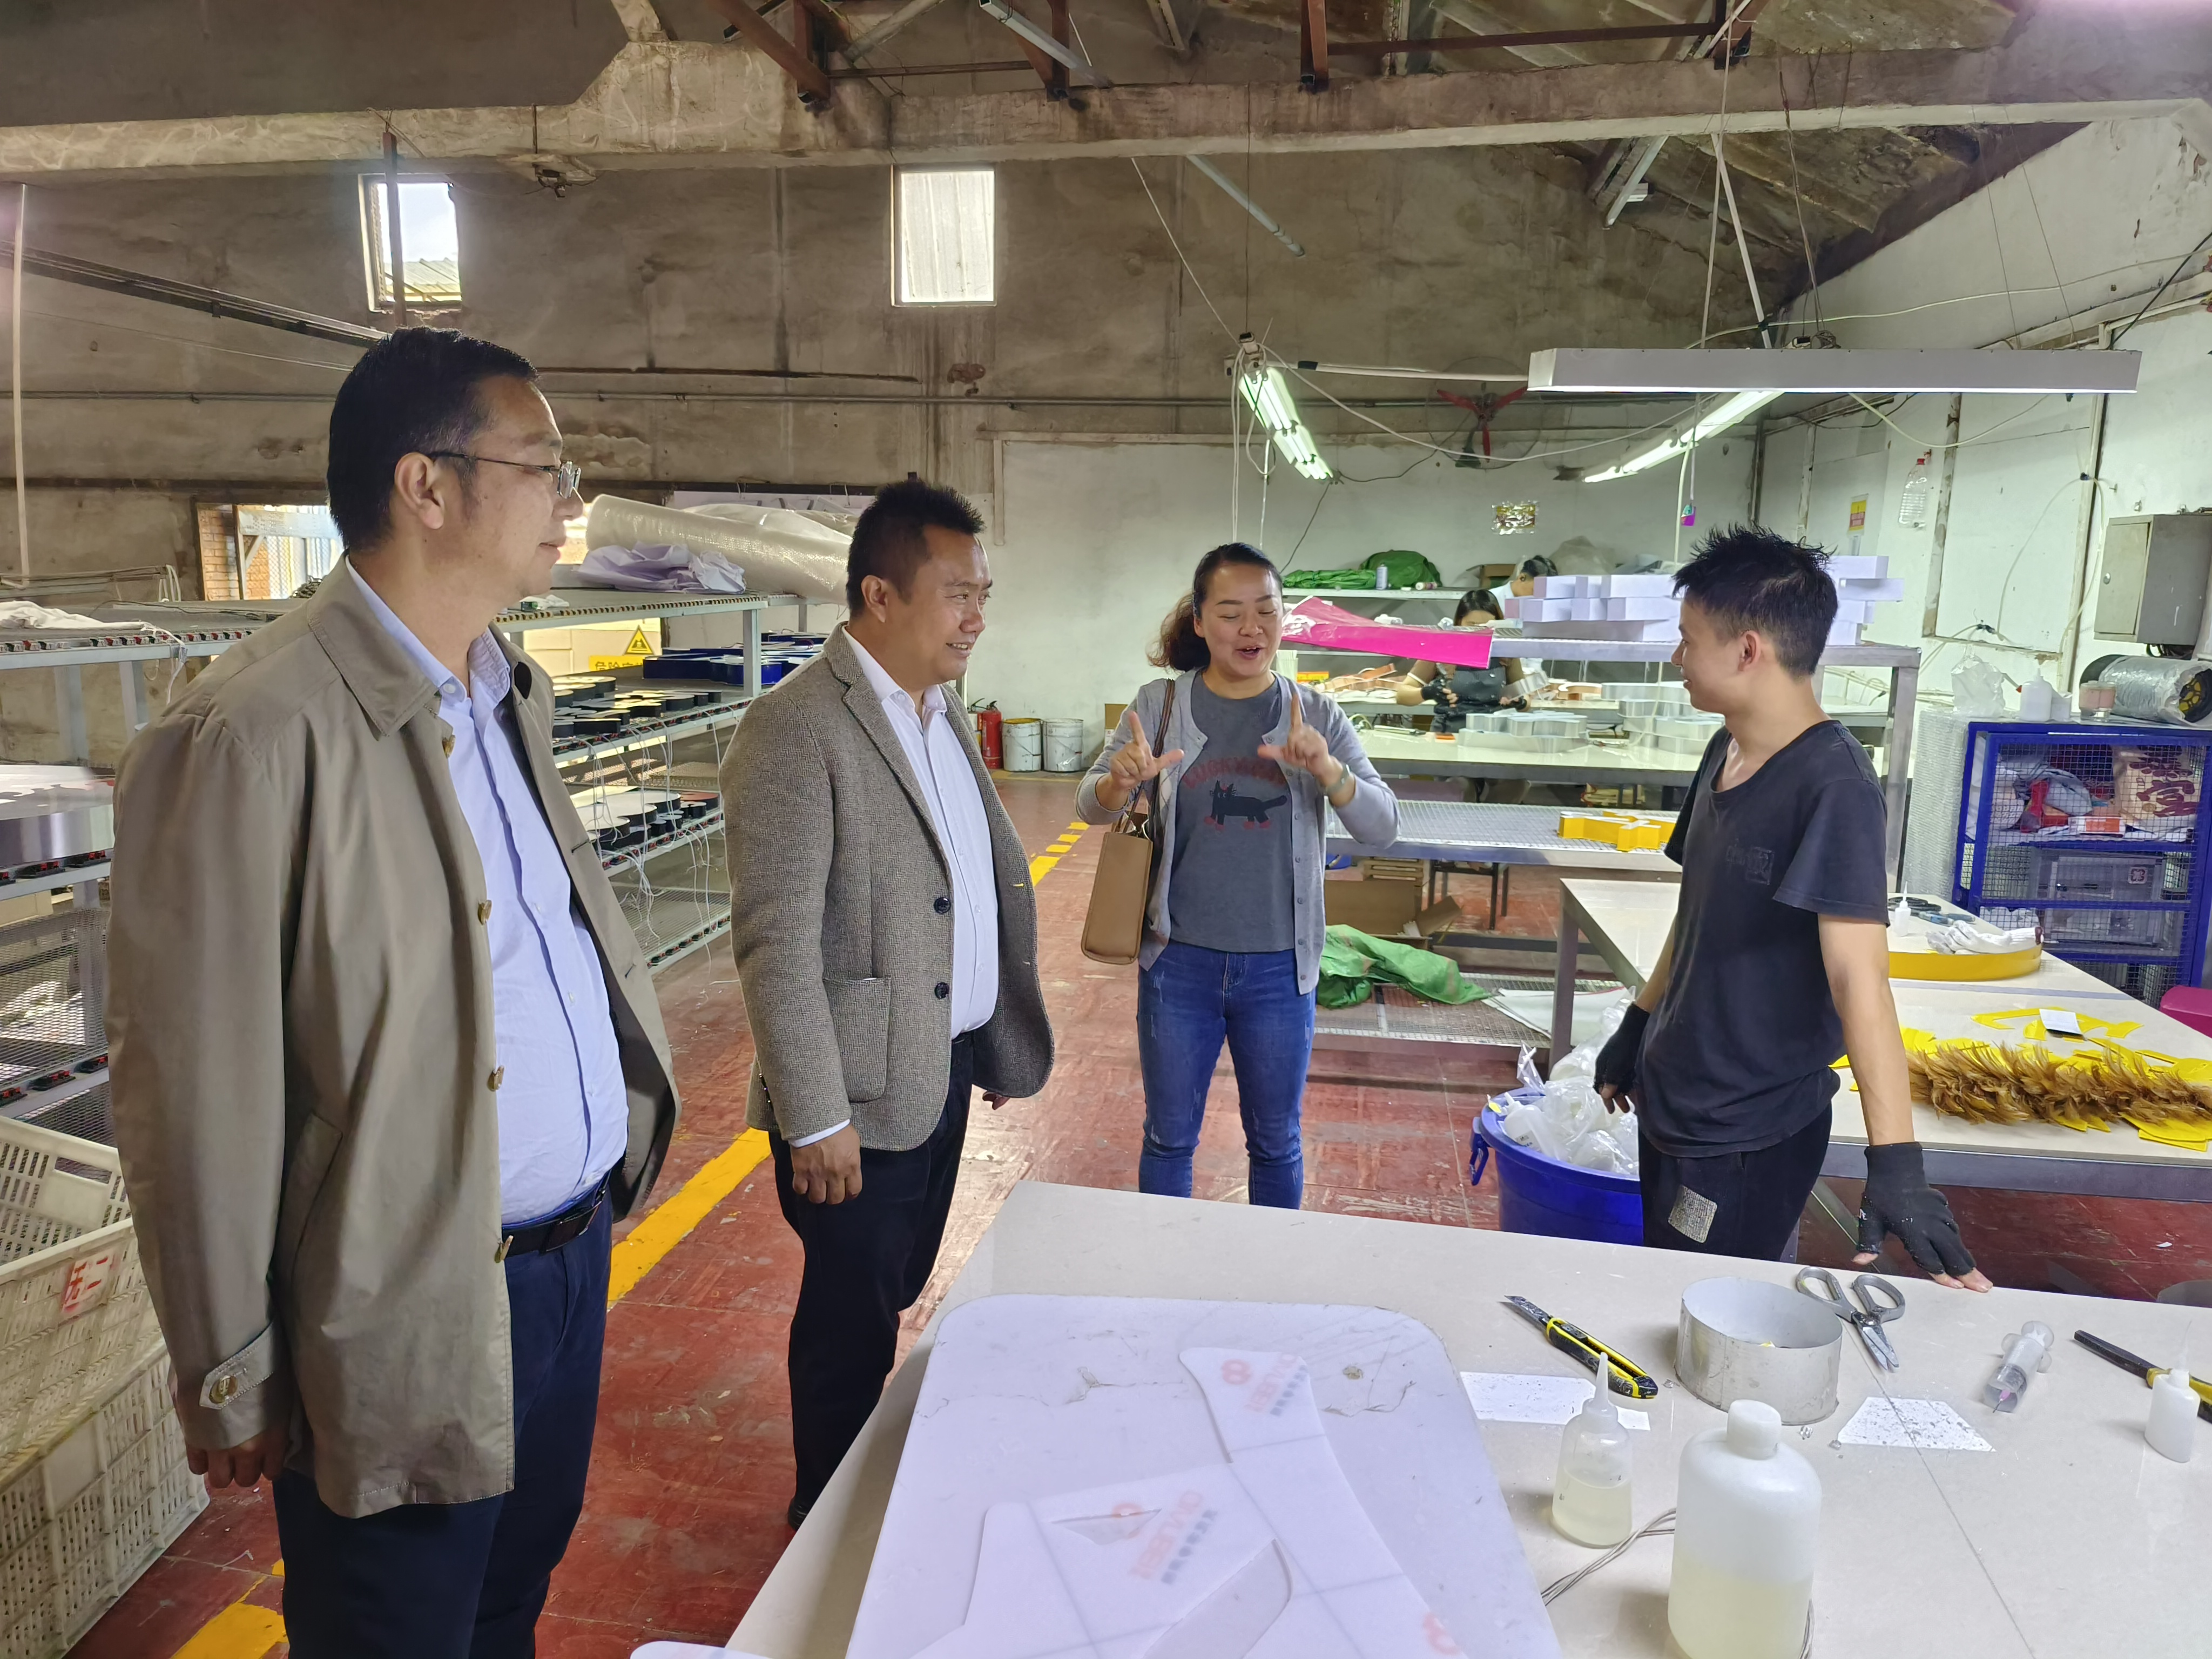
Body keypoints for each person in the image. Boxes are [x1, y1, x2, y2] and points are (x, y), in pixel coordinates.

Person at [108, 328, 681, 1657]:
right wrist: (226, 1360)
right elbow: (193, 1088)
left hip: (565, 1261)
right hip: (400, 1303)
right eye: (543, 465)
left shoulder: (503, 688)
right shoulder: (250, 735)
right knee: (398, 1630)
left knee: (508, 1606)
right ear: (426, 486)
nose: (569, 498)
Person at [724, 480, 1054, 1529]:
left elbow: (960, 882)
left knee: (896, 1282)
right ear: (879, 595)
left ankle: (856, 1487)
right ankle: (824, 1522)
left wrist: (986, 1037)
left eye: (983, 595)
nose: (976, 616)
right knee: (848, 1319)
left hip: (936, 1064)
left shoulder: (940, 710)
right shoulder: (794, 730)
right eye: (957, 593)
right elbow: (774, 943)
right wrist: (814, 1114)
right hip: (853, 1094)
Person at [1591, 525, 1991, 1289]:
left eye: (1689, 641)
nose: (1677, 658)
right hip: (1677, 1097)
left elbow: (1859, 978)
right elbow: (1699, 913)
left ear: (1748, 650)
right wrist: (1638, 1025)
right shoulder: (1725, 750)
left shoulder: (1834, 787)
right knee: (1664, 1296)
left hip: (1745, 1128)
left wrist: (1897, 1163)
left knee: (1710, 1310)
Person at [1077, 543, 1399, 1208]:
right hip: (1177, 965)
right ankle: (1166, 1257)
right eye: (1229, 613)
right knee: (1168, 1139)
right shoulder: (1159, 705)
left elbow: (1382, 826)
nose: (1250, 629)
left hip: (1280, 970)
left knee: (1276, 1142)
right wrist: (1119, 781)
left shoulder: (1317, 714)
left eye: (1266, 611)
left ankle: (1269, 1268)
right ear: (1199, 621)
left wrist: (1329, 772)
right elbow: (1090, 806)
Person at [1392, 589, 1532, 733]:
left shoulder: (1506, 652)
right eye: (1472, 625)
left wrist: (1520, 703)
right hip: (1449, 734)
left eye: (1488, 627)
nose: (1480, 631)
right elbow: (1402, 695)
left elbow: (1525, 696)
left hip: (1494, 734)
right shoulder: (1441, 648)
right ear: (1459, 622)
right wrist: (1427, 693)